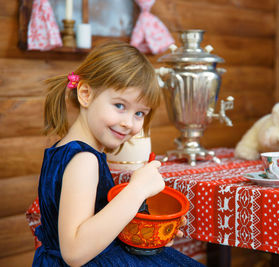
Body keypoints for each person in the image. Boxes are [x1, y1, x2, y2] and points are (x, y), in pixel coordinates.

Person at [33, 40, 204, 267]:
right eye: (120, 106)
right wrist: (138, 189)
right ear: (85, 94)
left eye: (140, 113)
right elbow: (74, 251)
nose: (128, 123)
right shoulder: (84, 159)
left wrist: (148, 229)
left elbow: (95, 224)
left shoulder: (67, 149)